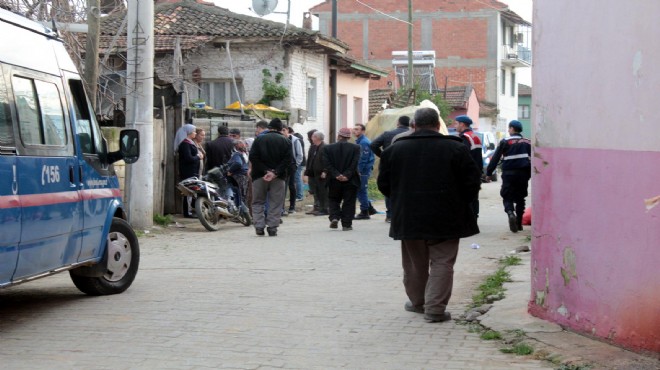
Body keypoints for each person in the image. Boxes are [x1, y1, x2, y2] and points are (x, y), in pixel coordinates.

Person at [377, 107, 481, 323]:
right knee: (443, 261)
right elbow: (472, 183)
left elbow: (384, 185)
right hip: (447, 216)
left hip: (409, 216)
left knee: (415, 262)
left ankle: (418, 303)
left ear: (414, 126)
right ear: (437, 126)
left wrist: (402, 201)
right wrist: (460, 203)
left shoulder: (394, 150)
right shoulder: (456, 149)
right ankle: (434, 308)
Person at [486, 120, 531, 233]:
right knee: (521, 198)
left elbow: (496, 158)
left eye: (509, 128)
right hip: (523, 174)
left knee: (507, 196)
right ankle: (519, 223)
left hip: (509, 174)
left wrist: (489, 173)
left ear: (511, 129)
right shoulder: (527, 142)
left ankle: (511, 213)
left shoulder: (505, 141)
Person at [249, 118, 292, 237]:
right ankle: (272, 227)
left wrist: (265, 170)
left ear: (269, 127)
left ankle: (259, 226)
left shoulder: (259, 139)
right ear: (280, 129)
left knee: (258, 201)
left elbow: (253, 157)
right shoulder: (286, 141)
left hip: (259, 176)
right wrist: (275, 172)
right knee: (276, 202)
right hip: (278, 177)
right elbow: (288, 160)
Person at [370, 115, 411, 222]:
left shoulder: (388, 134)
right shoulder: (412, 133)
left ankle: (390, 215)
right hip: (406, 165)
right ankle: (404, 213)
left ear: (398, 123)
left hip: (389, 165)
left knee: (389, 188)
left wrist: (383, 155)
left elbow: (373, 145)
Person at [321, 127, 360, 231]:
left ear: (339, 136)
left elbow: (327, 164)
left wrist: (336, 174)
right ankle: (346, 224)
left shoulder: (327, 148)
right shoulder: (356, 148)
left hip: (334, 180)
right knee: (349, 201)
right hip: (350, 180)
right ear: (348, 137)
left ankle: (334, 217)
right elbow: (354, 164)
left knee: (333, 199)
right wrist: (346, 175)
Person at [455, 115, 483, 218]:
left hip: (467, 172)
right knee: (474, 197)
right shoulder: (474, 136)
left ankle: (469, 219)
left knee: (466, 198)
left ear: (462, 124)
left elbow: (463, 156)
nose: (455, 126)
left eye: (456, 123)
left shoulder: (465, 138)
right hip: (476, 171)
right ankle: (474, 217)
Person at [176, 124, 203, 218]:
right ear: (189, 133)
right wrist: (198, 156)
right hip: (188, 172)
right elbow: (188, 158)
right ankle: (187, 212)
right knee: (188, 192)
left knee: (192, 192)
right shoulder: (185, 144)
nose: (195, 133)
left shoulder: (189, 142)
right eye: (194, 131)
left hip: (193, 171)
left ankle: (191, 210)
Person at [352, 123, 377, 220]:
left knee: (361, 190)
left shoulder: (364, 142)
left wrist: (359, 170)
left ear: (363, 131)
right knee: (361, 190)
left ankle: (364, 212)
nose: (355, 131)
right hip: (362, 170)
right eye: (354, 129)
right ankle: (369, 208)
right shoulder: (359, 141)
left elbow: (363, 159)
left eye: (357, 129)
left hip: (363, 171)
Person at [304, 130, 328, 215]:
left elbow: (327, 161)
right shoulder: (313, 147)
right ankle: (318, 207)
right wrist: (307, 172)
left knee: (323, 191)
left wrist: (325, 171)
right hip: (313, 173)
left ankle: (324, 209)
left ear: (316, 138)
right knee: (316, 191)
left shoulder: (324, 147)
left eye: (312, 136)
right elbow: (310, 160)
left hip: (321, 174)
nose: (310, 138)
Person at [283, 125, 303, 215]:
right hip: (282, 166)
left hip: (292, 165)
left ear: (287, 130)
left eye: (284, 130)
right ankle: (281, 207)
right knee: (282, 186)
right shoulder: (280, 139)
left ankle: (292, 206)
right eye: (281, 130)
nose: (282, 132)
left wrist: (296, 165)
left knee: (292, 185)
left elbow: (300, 155)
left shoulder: (295, 140)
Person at [226, 139, 249, 210]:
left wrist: (230, 171)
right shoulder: (245, 154)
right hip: (244, 176)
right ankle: (244, 213)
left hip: (238, 176)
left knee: (239, 195)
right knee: (243, 195)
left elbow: (238, 163)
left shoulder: (236, 154)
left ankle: (240, 212)